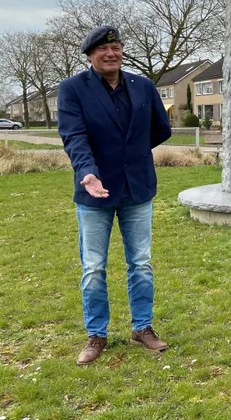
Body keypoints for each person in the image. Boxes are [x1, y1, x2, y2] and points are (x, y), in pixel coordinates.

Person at [58, 25, 172, 365]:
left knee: (141, 264)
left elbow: (160, 129)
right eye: (103, 50)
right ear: (91, 55)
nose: (111, 54)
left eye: (117, 47)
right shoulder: (72, 89)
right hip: (95, 192)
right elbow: (74, 136)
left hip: (137, 188)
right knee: (93, 267)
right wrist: (88, 171)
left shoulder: (144, 86)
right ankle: (96, 334)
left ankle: (142, 328)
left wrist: (131, 155)